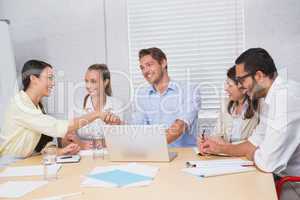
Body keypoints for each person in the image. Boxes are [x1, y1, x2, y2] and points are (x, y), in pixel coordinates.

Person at [200, 48, 300, 200]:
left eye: (241, 80)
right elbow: (253, 143)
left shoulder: (285, 99)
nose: (240, 86)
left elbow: (267, 163)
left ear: (259, 76)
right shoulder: (269, 98)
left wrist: (254, 152)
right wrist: (220, 148)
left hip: (292, 183)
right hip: (279, 178)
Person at [0, 60, 120, 158]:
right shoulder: (21, 105)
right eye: (50, 78)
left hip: (26, 161)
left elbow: (43, 143)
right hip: (11, 163)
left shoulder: (36, 106)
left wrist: (60, 151)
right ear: (34, 79)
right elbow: (56, 127)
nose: (53, 83)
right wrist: (97, 114)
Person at [131, 47, 201, 147]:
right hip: (154, 154)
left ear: (163, 63)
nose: (145, 71)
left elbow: (180, 127)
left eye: (149, 65)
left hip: (184, 155)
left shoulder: (189, 90)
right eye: (142, 68)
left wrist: (152, 147)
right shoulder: (141, 96)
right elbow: (138, 130)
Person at [198, 65, 260, 148]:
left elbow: (257, 142)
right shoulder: (225, 104)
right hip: (226, 157)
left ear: (243, 87)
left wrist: (225, 146)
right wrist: (208, 140)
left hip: (247, 157)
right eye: (226, 84)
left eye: (230, 85)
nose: (225, 88)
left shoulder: (259, 107)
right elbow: (217, 134)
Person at [67, 64, 124, 149]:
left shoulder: (118, 105)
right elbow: (66, 137)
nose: (88, 86)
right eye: (86, 81)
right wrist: (81, 144)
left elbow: (122, 139)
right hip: (82, 157)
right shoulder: (77, 106)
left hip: (110, 155)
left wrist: (83, 143)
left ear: (105, 82)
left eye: (93, 81)